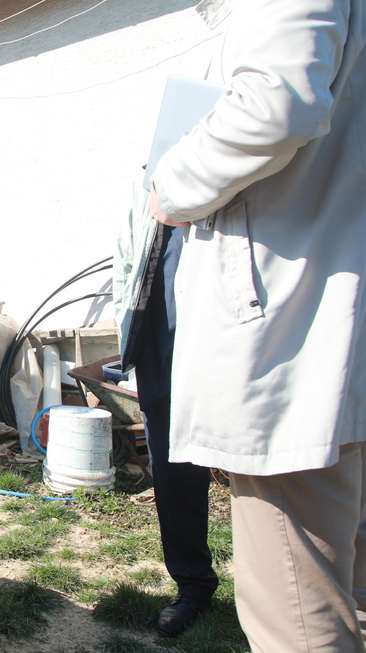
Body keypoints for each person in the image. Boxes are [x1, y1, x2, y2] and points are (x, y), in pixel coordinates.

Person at [151, 0, 366, 650]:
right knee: (347, 594)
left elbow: (277, 106)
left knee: (295, 614)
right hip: (331, 329)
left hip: (290, 341)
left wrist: (174, 182)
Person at [114, 184, 217, 637]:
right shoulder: (148, 186)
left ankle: (280, 589)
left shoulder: (231, 175)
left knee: (260, 478)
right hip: (161, 352)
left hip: (227, 349)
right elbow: (126, 262)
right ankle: (193, 584)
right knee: (175, 478)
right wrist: (130, 339)